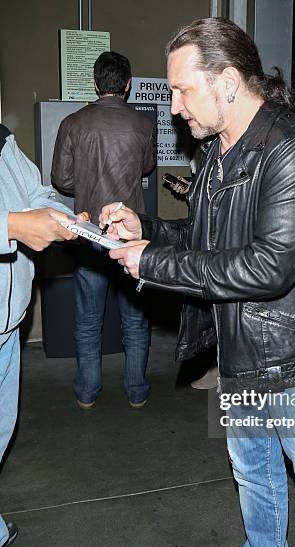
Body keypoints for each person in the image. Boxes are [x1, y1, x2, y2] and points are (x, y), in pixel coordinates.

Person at [101, 18, 295, 547]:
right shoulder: (216, 153)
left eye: (181, 90)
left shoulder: (293, 150)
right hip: (238, 353)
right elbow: (204, 238)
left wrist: (154, 266)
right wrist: (147, 229)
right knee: (254, 479)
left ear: (226, 80)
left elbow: (268, 267)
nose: (173, 107)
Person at [51, 51, 155, 410]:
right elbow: (148, 166)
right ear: (128, 84)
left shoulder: (73, 123)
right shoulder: (143, 124)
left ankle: (87, 394)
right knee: (136, 321)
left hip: (90, 234)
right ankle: (137, 392)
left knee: (88, 320)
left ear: (95, 83)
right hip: (130, 236)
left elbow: (61, 180)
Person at [0, 124, 76, 547]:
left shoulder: (3, 141)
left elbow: (38, 189)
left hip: (8, 330)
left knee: (0, 435)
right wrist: (11, 225)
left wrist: (60, 213)